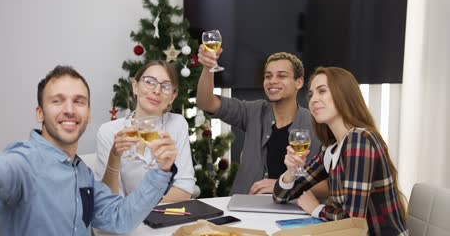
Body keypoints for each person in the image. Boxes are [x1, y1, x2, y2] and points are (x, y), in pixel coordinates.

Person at [0, 66, 178, 235]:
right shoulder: (23, 163)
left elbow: (121, 218)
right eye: (57, 101)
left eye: (79, 101)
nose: (70, 110)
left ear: (88, 114)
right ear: (40, 113)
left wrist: (162, 171)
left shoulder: (83, 174)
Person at [273, 67, 408, 235]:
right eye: (311, 94)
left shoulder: (360, 140)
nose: (314, 99)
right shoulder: (331, 150)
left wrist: (315, 208)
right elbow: (280, 196)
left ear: (344, 95)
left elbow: (353, 222)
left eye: (322, 91)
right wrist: (291, 172)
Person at [197, 47, 324, 195]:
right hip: (246, 206)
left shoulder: (316, 124)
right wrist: (208, 67)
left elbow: (328, 187)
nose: (272, 81)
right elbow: (206, 102)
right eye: (268, 76)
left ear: (299, 82)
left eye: (281, 76)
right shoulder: (253, 112)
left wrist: (282, 185)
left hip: (292, 210)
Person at [94, 60, 195, 204]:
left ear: (172, 97)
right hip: (124, 221)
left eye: (165, 86)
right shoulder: (109, 131)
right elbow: (109, 199)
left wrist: (145, 214)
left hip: (164, 217)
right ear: (135, 87)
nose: (156, 91)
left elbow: (184, 189)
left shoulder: (177, 125)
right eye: (149, 82)